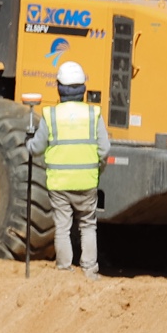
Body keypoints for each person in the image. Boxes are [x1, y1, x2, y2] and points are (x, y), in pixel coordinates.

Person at [27, 59, 110, 277]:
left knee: (62, 227)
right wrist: (98, 170)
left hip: (59, 184)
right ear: (83, 89)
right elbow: (105, 149)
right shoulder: (94, 115)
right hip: (87, 182)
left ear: (59, 89)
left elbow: (36, 148)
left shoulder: (51, 116)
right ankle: (90, 271)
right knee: (88, 225)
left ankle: (64, 271)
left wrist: (28, 142)